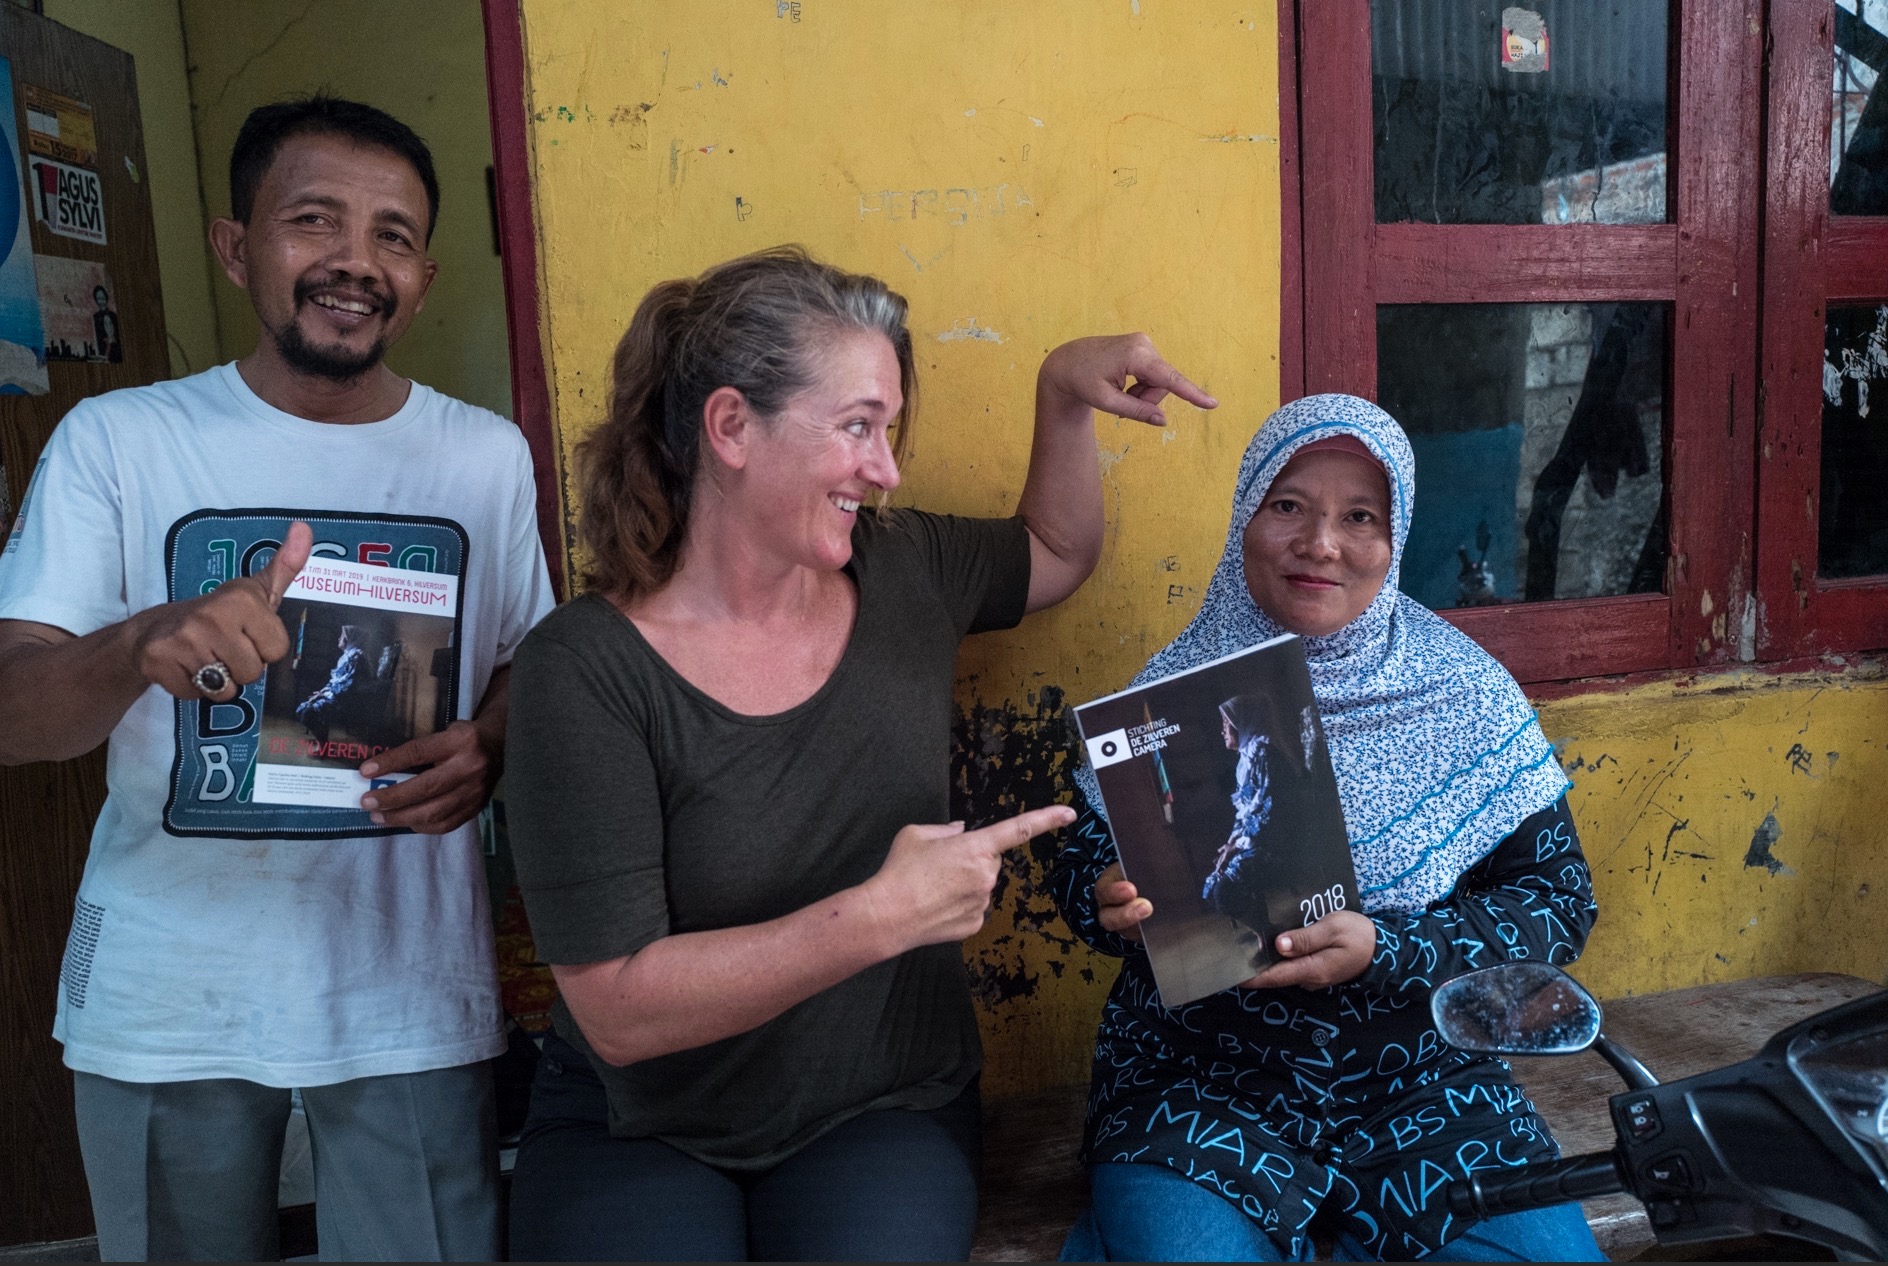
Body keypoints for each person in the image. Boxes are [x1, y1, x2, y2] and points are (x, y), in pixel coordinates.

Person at [502, 246, 1215, 1261]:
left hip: (878, 1107)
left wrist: (1061, 396)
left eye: (887, 430)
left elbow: (1056, 553)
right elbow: (617, 1009)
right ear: (731, 427)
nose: (885, 469)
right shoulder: (582, 670)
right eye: (856, 428)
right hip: (637, 1122)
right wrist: (879, 918)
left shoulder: (905, 567)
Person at [0, 96, 553, 1261]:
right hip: (165, 990)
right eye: (313, 220)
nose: (355, 260)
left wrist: (494, 741)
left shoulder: (483, 458)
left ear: (424, 277)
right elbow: (14, 714)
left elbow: (525, 663)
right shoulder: (121, 442)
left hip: (408, 987)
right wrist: (137, 642)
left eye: (393, 236)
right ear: (234, 246)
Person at [1051, 395, 1606, 1262]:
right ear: (1245, 519)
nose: (1320, 544)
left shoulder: (1465, 693)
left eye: (1360, 517)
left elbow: (1556, 900)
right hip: (1198, 1086)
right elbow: (1078, 851)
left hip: (1425, 1082)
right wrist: (1103, 897)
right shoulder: (1171, 692)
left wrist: (1390, 949)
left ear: (1396, 537)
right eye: (1288, 506)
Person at [295, 623, 368, 743]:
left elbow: (349, 685)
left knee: (307, 714)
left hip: (346, 700)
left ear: (349, 639)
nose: (339, 639)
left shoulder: (356, 657)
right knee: (304, 708)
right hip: (337, 696)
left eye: (342, 636)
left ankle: (323, 744)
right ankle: (323, 741)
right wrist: (323, 692)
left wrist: (324, 695)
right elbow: (335, 681)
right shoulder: (347, 656)